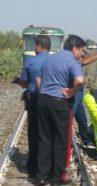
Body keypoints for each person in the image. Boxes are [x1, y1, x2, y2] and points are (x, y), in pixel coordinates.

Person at [35, 34, 86, 185]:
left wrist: (44, 92)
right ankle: (57, 177)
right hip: (60, 103)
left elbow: (38, 78)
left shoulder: (50, 58)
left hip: (43, 101)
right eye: (82, 51)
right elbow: (80, 81)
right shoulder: (72, 61)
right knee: (61, 140)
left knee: (44, 139)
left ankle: (41, 177)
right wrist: (72, 92)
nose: (82, 54)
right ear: (74, 49)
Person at [16, 35, 51, 177]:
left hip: (34, 100)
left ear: (38, 46)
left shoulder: (30, 61)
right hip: (51, 100)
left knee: (34, 132)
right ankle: (48, 166)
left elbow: (23, 82)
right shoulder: (55, 60)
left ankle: (33, 166)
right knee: (48, 133)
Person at [73, 47, 97, 149]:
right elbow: (85, 61)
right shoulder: (72, 61)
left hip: (79, 91)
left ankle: (85, 140)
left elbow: (86, 60)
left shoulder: (77, 60)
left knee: (82, 118)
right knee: (70, 116)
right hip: (74, 91)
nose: (83, 56)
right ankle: (67, 140)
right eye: (82, 53)